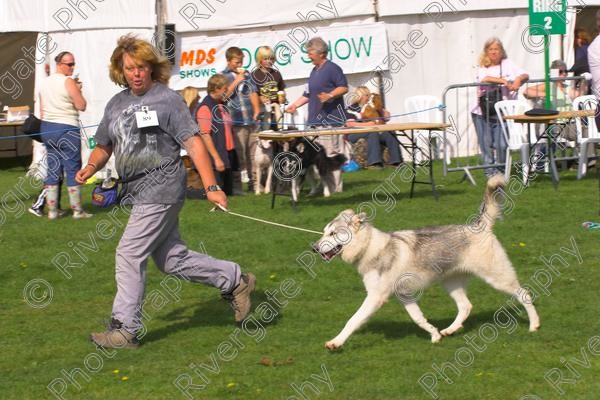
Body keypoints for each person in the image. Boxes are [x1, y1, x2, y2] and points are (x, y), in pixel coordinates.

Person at [75, 35, 256, 349]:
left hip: (162, 188)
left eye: (142, 67)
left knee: (129, 253)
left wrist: (212, 187)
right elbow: (105, 145)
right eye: (130, 68)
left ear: (151, 68)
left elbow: (193, 142)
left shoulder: (167, 99)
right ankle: (235, 280)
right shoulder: (116, 104)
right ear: (120, 69)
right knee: (171, 260)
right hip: (136, 191)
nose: (136, 73)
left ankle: (124, 329)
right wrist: (91, 166)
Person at [286, 37, 349, 192]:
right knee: (319, 156)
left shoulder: (333, 68)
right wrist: (294, 105)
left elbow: (343, 87)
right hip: (315, 122)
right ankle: (325, 187)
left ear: (321, 53)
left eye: (310, 52)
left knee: (331, 153)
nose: (308, 55)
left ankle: (336, 188)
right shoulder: (313, 71)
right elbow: (307, 94)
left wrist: (330, 95)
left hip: (332, 120)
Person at [39, 50, 91, 219]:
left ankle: (52, 212)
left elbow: (41, 109)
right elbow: (81, 105)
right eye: (69, 64)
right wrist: (78, 90)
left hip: (47, 128)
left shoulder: (44, 83)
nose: (72, 67)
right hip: (66, 128)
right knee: (72, 168)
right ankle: (77, 211)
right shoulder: (68, 81)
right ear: (59, 64)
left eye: (73, 64)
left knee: (52, 169)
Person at [472, 37, 528, 178]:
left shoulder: (508, 64)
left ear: (501, 51)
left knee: (502, 144)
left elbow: (525, 74)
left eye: (496, 49)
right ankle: (489, 171)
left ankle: (501, 170)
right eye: (490, 49)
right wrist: (503, 81)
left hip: (502, 112)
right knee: (486, 143)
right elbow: (485, 79)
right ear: (486, 52)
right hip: (482, 111)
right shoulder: (483, 66)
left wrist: (518, 79)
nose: (494, 52)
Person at [222, 47, 260, 192]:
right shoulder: (223, 76)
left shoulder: (247, 74)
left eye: (241, 61)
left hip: (250, 119)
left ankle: (255, 184)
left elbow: (253, 92)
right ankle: (237, 186)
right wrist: (237, 80)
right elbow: (224, 96)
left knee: (253, 155)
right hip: (235, 121)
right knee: (239, 156)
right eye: (237, 62)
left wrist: (256, 110)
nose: (239, 64)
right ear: (228, 60)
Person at [196, 74, 237, 195]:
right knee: (218, 193)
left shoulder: (220, 104)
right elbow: (205, 135)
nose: (227, 91)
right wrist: (217, 159)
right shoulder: (205, 107)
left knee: (229, 195)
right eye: (225, 89)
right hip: (215, 159)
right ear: (216, 89)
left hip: (227, 154)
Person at [344, 86, 402, 169]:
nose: (368, 97)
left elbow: (386, 118)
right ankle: (374, 163)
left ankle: (395, 161)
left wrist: (381, 110)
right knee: (372, 132)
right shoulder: (352, 108)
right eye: (366, 95)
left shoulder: (372, 107)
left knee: (389, 132)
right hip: (354, 134)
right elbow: (350, 124)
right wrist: (368, 124)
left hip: (373, 131)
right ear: (360, 96)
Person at [251, 46, 286, 131]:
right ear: (260, 59)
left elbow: (282, 89)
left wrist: (283, 97)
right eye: (265, 59)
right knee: (266, 135)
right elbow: (252, 95)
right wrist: (260, 98)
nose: (269, 61)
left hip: (276, 108)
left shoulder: (277, 74)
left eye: (271, 58)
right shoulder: (254, 75)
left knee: (279, 131)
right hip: (263, 110)